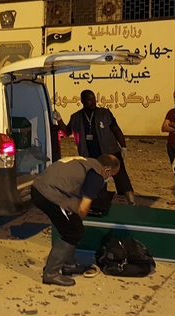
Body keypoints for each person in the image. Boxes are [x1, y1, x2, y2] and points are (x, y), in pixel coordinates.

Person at [31, 154, 120, 286]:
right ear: (106, 170)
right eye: (111, 175)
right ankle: (51, 273)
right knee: (73, 232)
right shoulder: (96, 175)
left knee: (71, 227)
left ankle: (69, 265)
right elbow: (83, 209)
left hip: (39, 187)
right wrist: (76, 220)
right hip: (49, 194)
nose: (109, 178)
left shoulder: (86, 162)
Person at [56, 90, 136, 204]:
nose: (93, 102)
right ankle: (101, 204)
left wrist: (123, 146)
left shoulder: (105, 113)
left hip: (111, 153)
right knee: (98, 181)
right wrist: (59, 120)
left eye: (94, 99)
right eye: (90, 100)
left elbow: (116, 129)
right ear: (82, 101)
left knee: (121, 177)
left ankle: (131, 202)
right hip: (91, 157)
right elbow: (67, 132)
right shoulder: (76, 117)